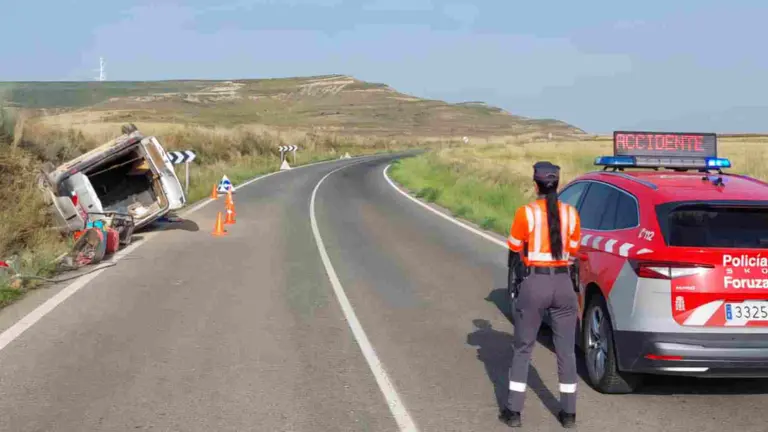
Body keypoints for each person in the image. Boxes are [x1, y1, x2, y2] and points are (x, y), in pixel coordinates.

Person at [498, 161, 581, 429]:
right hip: (564, 285)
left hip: (535, 283)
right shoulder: (571, 214)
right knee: (566, 351)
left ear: (536, 186)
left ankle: (513, 412)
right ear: (558, 184)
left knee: (523, 348)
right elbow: (575, 250)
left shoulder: (526, 213)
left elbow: (513, 246)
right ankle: (568, 414)